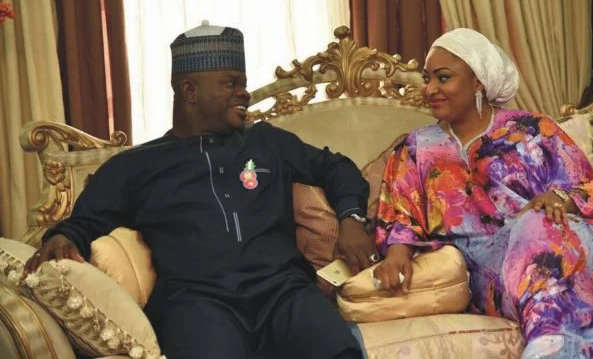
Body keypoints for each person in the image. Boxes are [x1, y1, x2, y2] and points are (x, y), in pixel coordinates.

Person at [23, 22, 376, 359]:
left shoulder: (267, 142)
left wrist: (351, 219)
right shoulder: (136, 166)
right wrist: (65, 236)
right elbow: (86, 220)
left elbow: (336, 167)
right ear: (190, 91)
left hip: (284, 292)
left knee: (337, 349)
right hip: (197, 303)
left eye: (243, 83)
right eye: (231, 83)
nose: (244, 93)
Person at [372, 28, 593, 358]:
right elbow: (401, 214)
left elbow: (588, 188)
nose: (430, 89)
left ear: (478, 83)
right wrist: (396, 254)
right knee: (539, 239)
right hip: (486, 271)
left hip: (554, 244)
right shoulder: (416, 148)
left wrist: (559, 199)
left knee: (537, 223)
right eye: (427, 78)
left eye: (443, 78)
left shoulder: (532, 130)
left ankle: (549, 347)